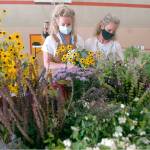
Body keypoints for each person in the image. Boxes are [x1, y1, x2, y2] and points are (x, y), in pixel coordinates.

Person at [42, 5, 84, 71]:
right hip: (56, 78)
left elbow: (83, 60)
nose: (66, 27)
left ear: (72, 23)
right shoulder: (50, 40)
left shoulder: (79, 39)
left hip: (75, 77)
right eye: (63, 24)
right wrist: (65, 66)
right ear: (57, 23)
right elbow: (47, 64)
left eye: (68, 24)